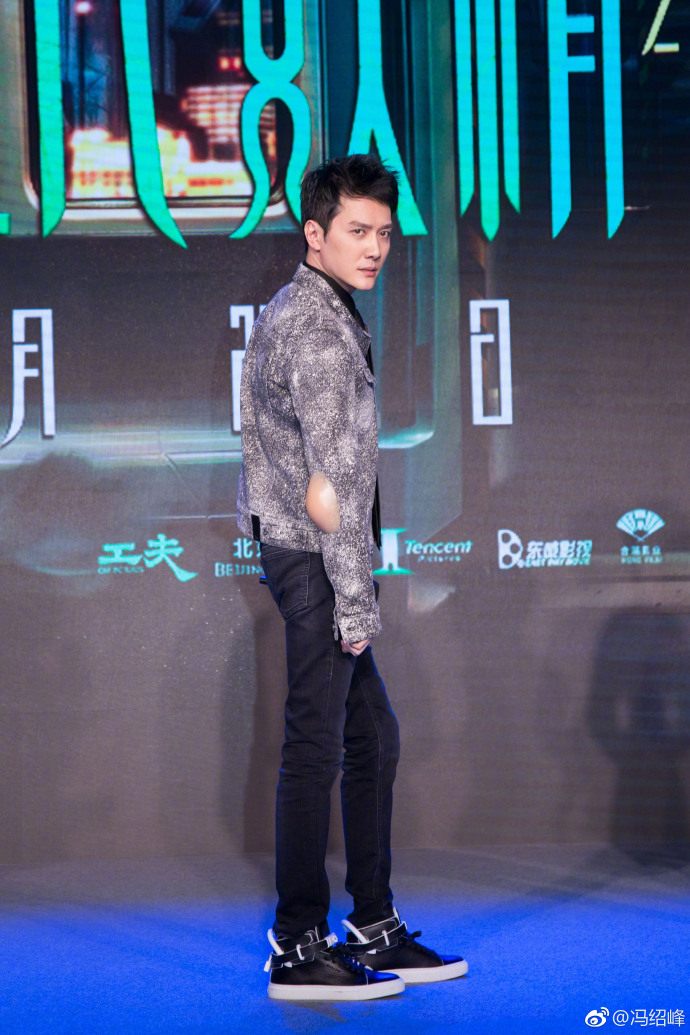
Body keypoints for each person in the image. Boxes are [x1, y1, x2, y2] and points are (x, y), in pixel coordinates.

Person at [237, 154, 467, 1001]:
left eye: (385, 232)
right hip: (315, 561)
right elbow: (332, 486)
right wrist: (357, 604)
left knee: (371, 737)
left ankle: (371, 922)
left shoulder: (312, 308)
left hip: (302, 550)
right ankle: (298, 944)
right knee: (317, 746)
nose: (375, 248)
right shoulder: (319, 332)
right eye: (358, 231)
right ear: (315, 233)